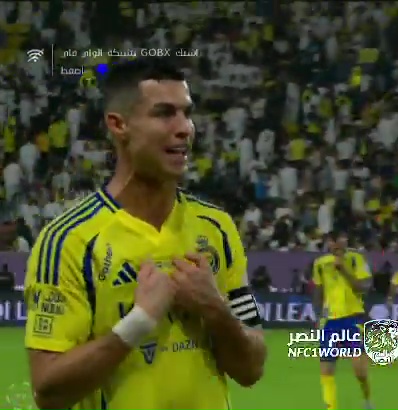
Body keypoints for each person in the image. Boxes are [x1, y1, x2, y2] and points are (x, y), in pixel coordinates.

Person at [23, 58, 267, 410]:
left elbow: (251, 369)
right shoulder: (69, 240)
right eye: (165, 113)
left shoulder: (217, 228)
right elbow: (48, 391)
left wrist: (215, 309)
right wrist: (139, 322)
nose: (185, 128)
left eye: (187, 113)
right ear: (119, 125)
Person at [312, 232, 373, 410]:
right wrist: (318, 315)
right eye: (332, 240)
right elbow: (318, 290)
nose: (336, 244)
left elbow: (363, 287)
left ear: (346, 240)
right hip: (330, 321)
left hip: (353, 319)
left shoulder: (356, 260)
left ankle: (367, 399)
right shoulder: (320, 264)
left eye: (340, 239)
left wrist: (343, 268)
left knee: (360, 372)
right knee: (326, 370)